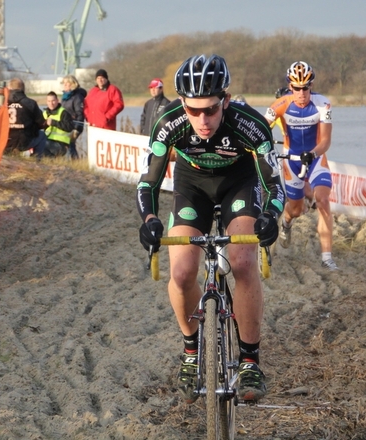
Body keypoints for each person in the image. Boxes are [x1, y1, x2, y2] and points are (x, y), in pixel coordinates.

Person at [136, 54, 285, 404]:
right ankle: (191, 353)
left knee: (244, 261)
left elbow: (275, 183)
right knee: (183, 271)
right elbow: (148, 183)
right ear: (182, 104)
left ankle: (250, 361)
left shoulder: (250, 123)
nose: (202, 120)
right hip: (192, 186)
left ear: (226, 101)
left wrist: (270, 216)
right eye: (193, 110)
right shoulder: (168, 122)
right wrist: (149, 221)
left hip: (239, 182)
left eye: (211, 110)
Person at [264, 61, 337, 270]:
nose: (301, 93)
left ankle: (327, 259)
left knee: (322, 200)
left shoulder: (323, 104)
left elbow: (326, 141)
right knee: (296, 209)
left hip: (316, 158)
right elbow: (260, 128)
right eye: (297, 88)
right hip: (291, 161)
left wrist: (312, 153)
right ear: (290, 87)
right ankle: (286, 222)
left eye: (305, 88)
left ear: (311, 86)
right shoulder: (280, 104)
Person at [5, 78, 46, 160]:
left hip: (7, 141)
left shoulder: (4, 104)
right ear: (23, 89)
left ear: (9, 89)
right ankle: (36, 160)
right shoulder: (30, 103)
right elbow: (41, 122)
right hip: (24, 141)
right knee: (42, 135)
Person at [61, 74, 87, 159]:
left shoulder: (77, 97)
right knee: (68, 145)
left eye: (67, 83)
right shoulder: (65, 97)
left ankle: (73, 163)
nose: (64, 85)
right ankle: (73, 162)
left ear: (73, 84)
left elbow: (80, 113)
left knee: (69, 144)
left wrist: (76, 129)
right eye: (63, 83)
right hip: (66, 124)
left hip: (74, 124)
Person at [42, 91, 75, 157]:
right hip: (48, 141)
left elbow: (69, 127)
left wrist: (53, 122)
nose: (51, 103)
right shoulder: (45, 113)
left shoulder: (63, 113)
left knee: (42, 145)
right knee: (35, 144)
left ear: (57, 100)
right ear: (46, 102)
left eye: (53, 101)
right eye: (49, 101)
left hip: (61, 144)